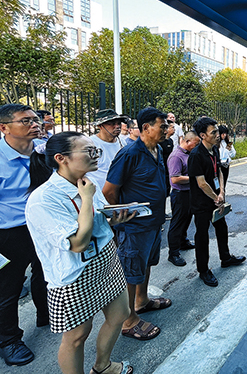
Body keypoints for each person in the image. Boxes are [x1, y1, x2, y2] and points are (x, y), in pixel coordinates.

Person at [25, 132, 135, 374]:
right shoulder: (43, 199)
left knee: (120, 314)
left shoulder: (87, 183)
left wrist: (113, 220)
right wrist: (86, 199)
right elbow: (77, 244)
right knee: (77, 336)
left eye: (96, 150)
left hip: (105, 260)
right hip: (75, 274)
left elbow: (96, 221)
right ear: (61, 158)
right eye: (89, 151)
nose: (96, 155)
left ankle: (103, 366)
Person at [103, 107, 171, 341]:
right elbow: (109, 191)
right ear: (146, 128)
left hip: (154, 222)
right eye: (162, 126)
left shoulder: (158, 149)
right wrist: (122, 220)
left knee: (146, 264)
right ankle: (128, 320)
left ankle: (141, 301)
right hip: (134, 227)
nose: (166, 130)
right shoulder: (129, 153)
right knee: (130, 272)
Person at [0, 104, 49, 367]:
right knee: (8, 289)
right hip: (9, 233)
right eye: (26, 121)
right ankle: (9, 340)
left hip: (43, 225)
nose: (34, 124)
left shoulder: (43, 150)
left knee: (46, 274)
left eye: (35, 119)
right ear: (4, 127)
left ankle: (46, 313)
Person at [188, 117, 246, 287]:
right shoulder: (196, 155)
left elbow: (219, 170)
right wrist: (216, 198)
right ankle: (203, 270)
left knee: (222, 228)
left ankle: (225, 258)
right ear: (202, 135)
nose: (218, 135)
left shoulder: (214, 149)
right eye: (213, 132)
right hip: (202, 202)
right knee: (202, 236)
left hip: (216, 198)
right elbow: (201, 183)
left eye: (217, 132)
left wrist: (222, 191)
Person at [166, 131, 201, 267]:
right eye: (195, 144)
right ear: (187, 141)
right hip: (180, 194)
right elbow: (175, 178)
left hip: (189, 192)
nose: (197, 146)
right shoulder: (176, 156)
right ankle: (173, 253)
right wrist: (194, 178)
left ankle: (183, 242)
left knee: (187, 219)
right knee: (178, 222)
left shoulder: (189, 154)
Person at [87, 109, 128, 190]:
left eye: (119, 123)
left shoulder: (122, 142)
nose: (117, 126)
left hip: (117, 190)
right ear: (100, 126)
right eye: (112, 124)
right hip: (97, 191)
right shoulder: (90, 143)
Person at [218, 125, 236, 189]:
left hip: (225, 165)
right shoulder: (216, 143)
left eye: (225, 133)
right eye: (222, 134)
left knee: (224, 183)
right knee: (218, 184)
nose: (224, 135)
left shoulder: (227, 143)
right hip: (218, 165)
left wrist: (230, 150)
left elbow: (233, 155)